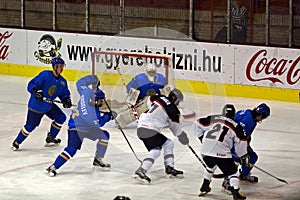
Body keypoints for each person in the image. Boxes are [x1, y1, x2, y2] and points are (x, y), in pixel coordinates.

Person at [45, 75, 116, 176]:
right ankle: (53, 167)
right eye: (100, 100)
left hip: (86, 126)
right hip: (76, 129)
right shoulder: (90, 113)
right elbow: (98, 123)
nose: (102, 102)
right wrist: (109, 116)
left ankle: (98, 159)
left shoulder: (87, 92)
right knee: (71, 150)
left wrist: (92, 79)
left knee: (104, 136)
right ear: (94, 100)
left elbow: (80, 83)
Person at [11, 57, 72, 150]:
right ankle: (17, 142)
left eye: (62, 66)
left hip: (48, 105)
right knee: (30, 126)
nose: (62, 68)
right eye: (60, 66)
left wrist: (66, 100)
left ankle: (51, 138)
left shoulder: (62, 81)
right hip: (36, 105)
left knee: (61, 118)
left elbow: (64, 93)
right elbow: (31, 84)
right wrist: (36, 91)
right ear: (54, 67)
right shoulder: (45, 75)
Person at [132, 88, 189, 184]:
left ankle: (169, 168)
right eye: (178, 101)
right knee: (155, 150)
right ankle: (141, 171)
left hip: (143, 127)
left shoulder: (159, 97)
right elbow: (175, 129)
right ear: (175, 99)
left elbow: (149, 100)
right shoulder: (173, 110)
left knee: (168, 143)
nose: (178, 103)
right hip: (149, 129)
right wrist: (182, 136)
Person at [193, 104, 249, 200]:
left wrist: (202, 138)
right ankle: (235, 192)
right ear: (233, 115)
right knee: (233, 173)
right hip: (221, 153)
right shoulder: (236, 126)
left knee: (210, 166)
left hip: (205, 151)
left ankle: (204, 186)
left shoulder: (213, 118)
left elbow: (197, 124)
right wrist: (242, 156)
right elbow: (242, 142)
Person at [222, 103, 271, 193]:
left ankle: (244, 175)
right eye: (263, 118)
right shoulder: (249, 122)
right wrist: (241, 153)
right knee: (236, 161)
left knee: (252, 157)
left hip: (232, 140)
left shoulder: (247, 112)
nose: (262, 120)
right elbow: (239, 136)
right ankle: (226, 181)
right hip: (232, 142)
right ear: (260, 115)